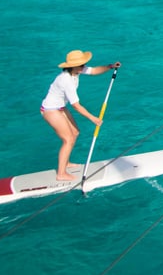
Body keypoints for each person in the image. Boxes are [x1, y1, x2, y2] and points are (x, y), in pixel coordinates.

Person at [41, 50, 121, 181]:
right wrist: (93, 118)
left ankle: (66, 163)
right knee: (68, 139)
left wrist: (110, 66)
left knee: (75, 132)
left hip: (60, 107)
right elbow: (76, 105)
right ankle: (61, 174)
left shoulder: (76, 71)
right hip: (51, 110)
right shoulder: (66, 80)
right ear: (73, 66)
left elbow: (94, 71)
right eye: (81, 64)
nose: (84, 66)